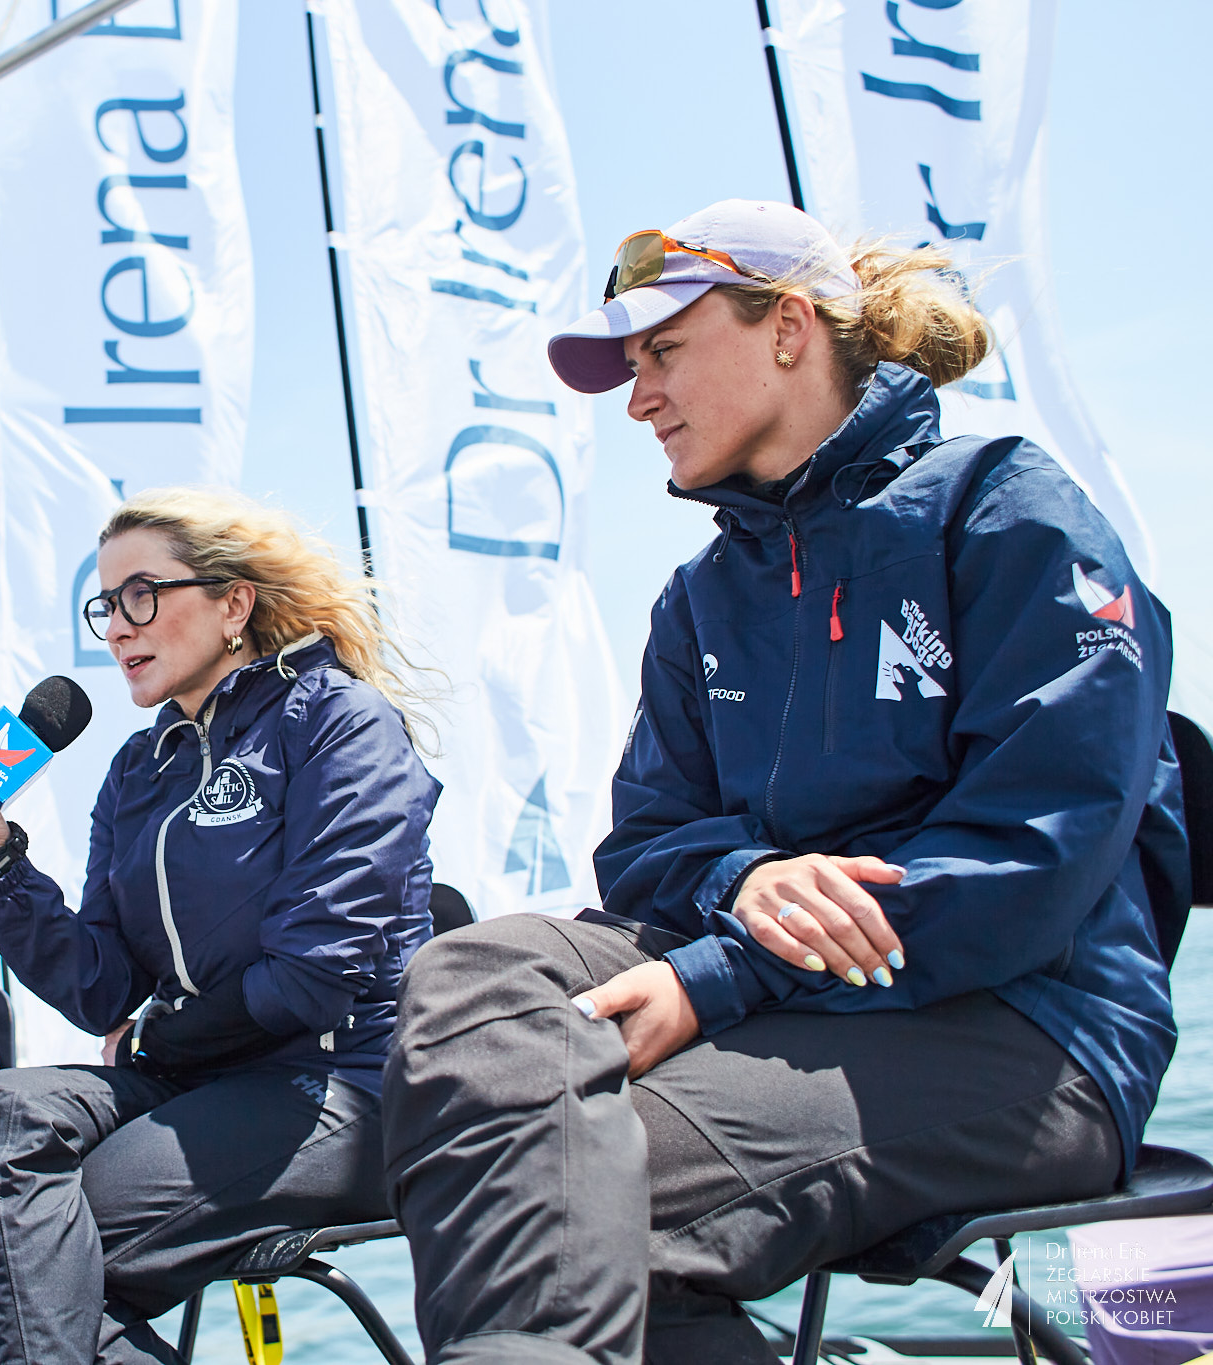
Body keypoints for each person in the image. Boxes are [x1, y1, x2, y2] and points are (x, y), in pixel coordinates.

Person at [382, 199, 1185, 1364]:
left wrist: (720, 973)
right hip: (794, 1002)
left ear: (789, 329)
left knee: (567, 1201)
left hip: (1026, 1026)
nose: (637, 399)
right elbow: (645, 845)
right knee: (472, 969)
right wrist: (743, 879)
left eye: (661, 352)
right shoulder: (697, 598)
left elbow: (1034, 854)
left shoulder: (1002, 508)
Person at [0, 487, 442, 1364]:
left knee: (36, 1254)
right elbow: (104, 988)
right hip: (192, 1080)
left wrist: (154, 1040)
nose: (117, 628)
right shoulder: (137, 769)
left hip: (340, 1082)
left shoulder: (340, 721)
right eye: (106, 605)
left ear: (234, 604)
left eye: (142, 595)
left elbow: (312, 975)